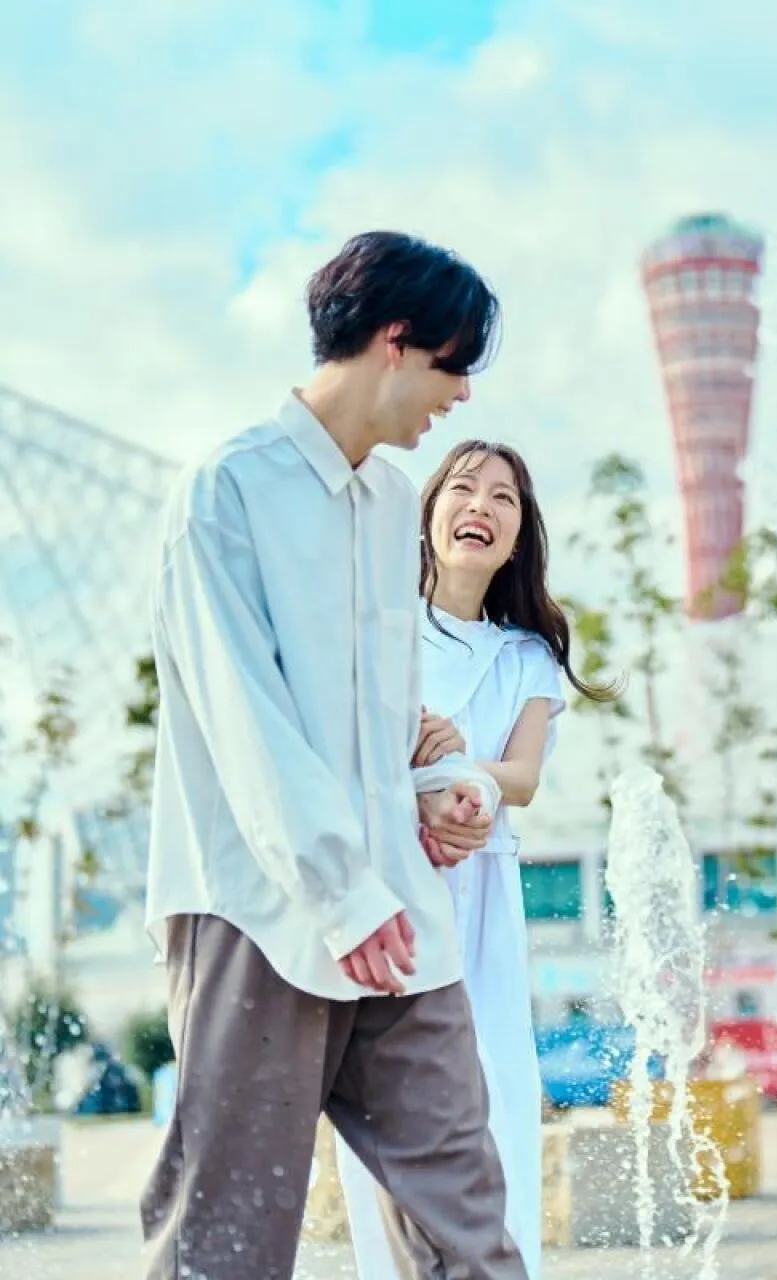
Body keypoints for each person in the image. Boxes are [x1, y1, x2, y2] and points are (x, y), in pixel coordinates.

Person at [140, 231, 528, 1280]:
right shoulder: (225, 492)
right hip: (257, 909)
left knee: (466, 1220)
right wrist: (340, 893)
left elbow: (373, 716)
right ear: (397, 341)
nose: (460, 395)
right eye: (454, 365)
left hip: (396, 911)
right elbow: (247, 722)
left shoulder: (392, 503)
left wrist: (428, 788)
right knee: (228, 1233)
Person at [337, 440, 612, 1279]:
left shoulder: (525, 656)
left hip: (483, 895)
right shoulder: (378, 627)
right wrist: (422, 768)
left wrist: (463, 774)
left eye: (503, 498)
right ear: (428, 515)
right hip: (393, 889)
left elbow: (522, 776)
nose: (481, 508)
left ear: (520, 534)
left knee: (491, 1096)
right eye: (463, 489)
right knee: (389, 1107)